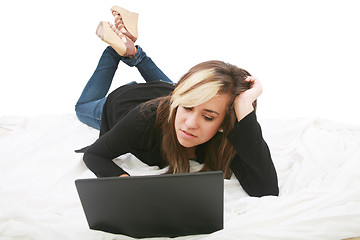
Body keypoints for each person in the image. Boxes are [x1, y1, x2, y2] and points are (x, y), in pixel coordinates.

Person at [75, 6, 279, 197]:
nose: (190, 124)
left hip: (168, 93)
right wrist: (126, 183)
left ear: (224, 125)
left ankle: (134, 52)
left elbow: (266, 189)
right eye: (188, 108)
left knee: (173, 88)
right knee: (82, 107)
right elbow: (94, 155)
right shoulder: (141, 122)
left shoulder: (224, 139)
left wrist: (244, 108)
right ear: (180, 102)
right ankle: (115, 51)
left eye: (208, 117)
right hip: (127, 101)